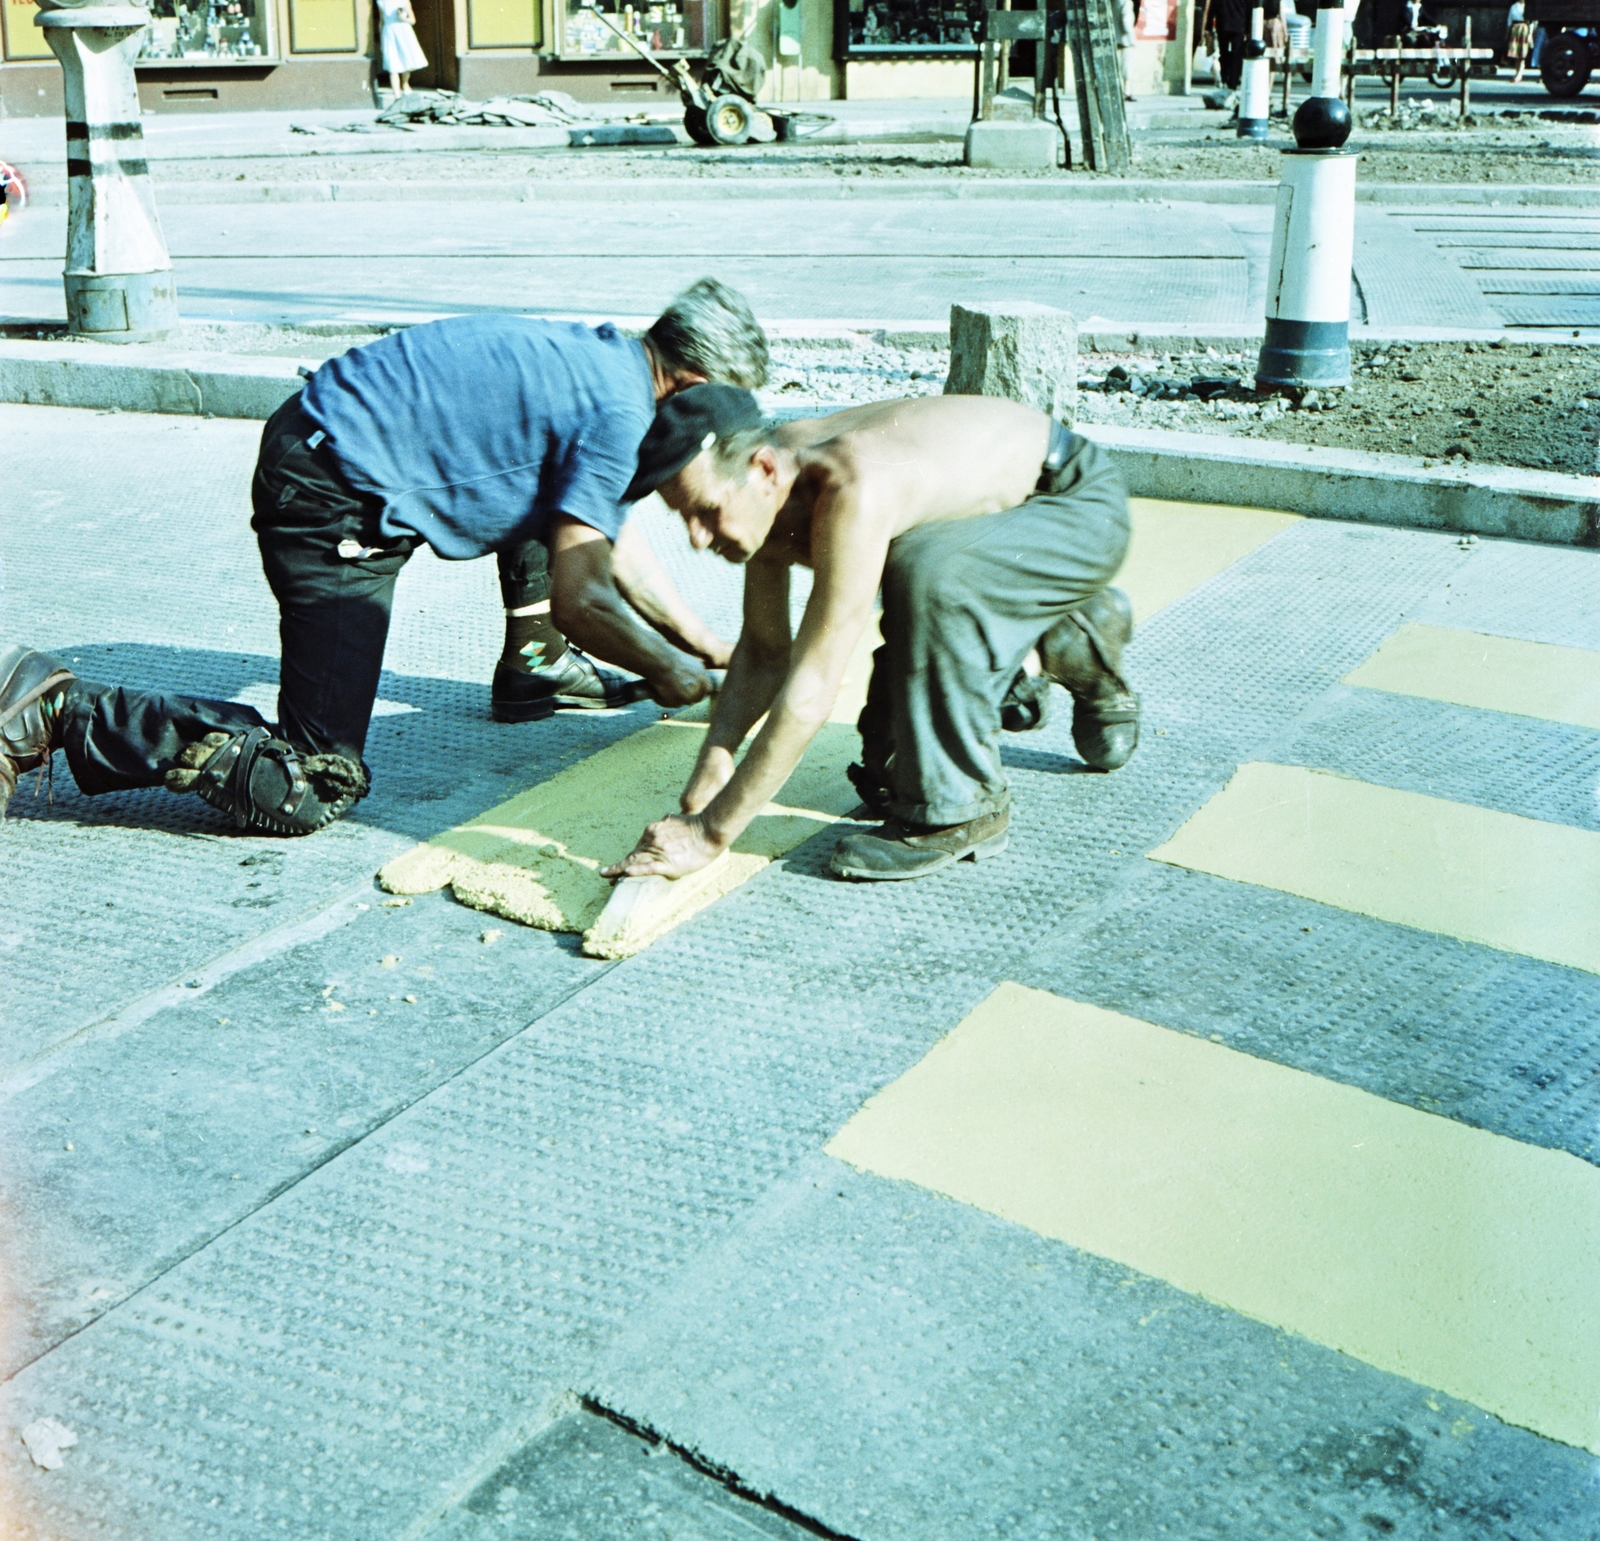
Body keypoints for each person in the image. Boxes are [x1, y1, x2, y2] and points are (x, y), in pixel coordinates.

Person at [0, 281, 768, 834]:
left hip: (323, 440)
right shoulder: (618, 413)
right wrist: (669, 672)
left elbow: (599, 533)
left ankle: (534, 665)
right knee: (309, 783)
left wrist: (702, 644)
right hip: (328, 496)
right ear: (694, 387)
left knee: (561, 506)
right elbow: (586, 595)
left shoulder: (607, 364)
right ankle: (58, 707)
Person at [603, 387, 1140, 886]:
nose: (697, 539)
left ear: (762, 469)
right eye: (683, 519)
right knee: (890, 772)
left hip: (1075, 504)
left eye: (705, 512)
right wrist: (715, 760)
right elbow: (765, 654)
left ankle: (963, 811)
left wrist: (709, 834)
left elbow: (812, 686)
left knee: (929, 575)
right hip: (989, 527)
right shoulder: (765, 481)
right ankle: (1058, 631)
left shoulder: (850, 485)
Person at [377, 0, 429, 96]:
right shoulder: (381, 2)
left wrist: (403, 18)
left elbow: (413, 20)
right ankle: (397, 95)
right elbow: (381, 21)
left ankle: (405, 84)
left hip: (404, 32)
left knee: (407, 60)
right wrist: (381, 40)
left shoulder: (404, 1)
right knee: (392, 65)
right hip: (389, 33)